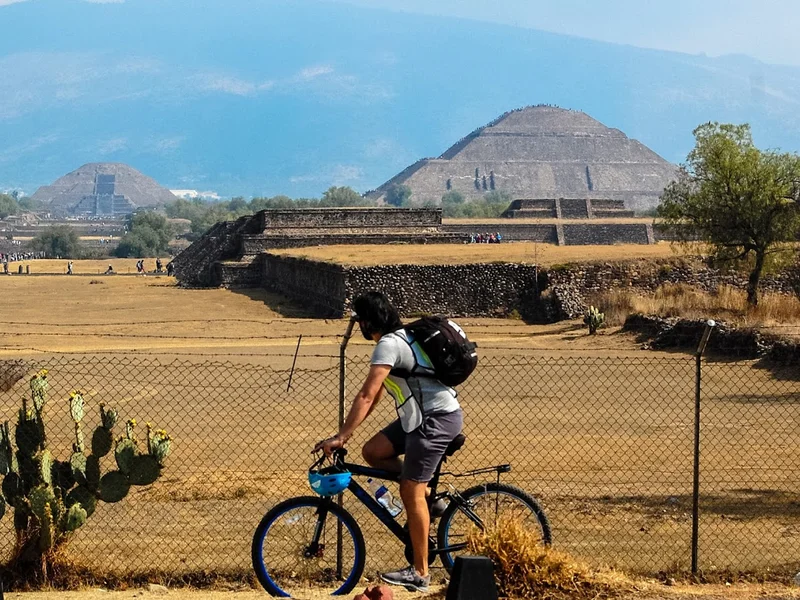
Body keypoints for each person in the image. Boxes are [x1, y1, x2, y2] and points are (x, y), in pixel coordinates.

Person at [314, 292, 463, 593]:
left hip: (435, 420)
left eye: (359, 321)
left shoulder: (389, 343)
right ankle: (430, 498)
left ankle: (420, 573)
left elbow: (366, 394)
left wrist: (341, 436)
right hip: (418, 419)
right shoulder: (401, 339)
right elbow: (378, 393)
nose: (358, 328)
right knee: (373, 452)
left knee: (410, 489)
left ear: (369, 322)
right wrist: (351, 432)